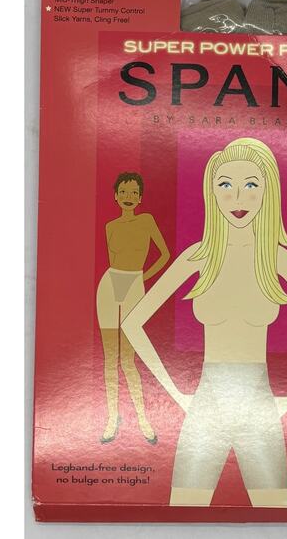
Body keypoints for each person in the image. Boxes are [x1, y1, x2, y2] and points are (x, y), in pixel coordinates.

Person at [122, 138, 287, 508]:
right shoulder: (198, 256)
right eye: (225, 185)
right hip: (206, 403)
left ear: (268, 192)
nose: (238, 198)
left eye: (251, 185)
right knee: (182, 516)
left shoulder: (276, 258)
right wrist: (176, 394)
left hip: (259, 404)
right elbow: (133, 323)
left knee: (278, 516)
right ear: (211, 192)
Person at [96, 172, 170, 444]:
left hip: (134, 285)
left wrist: (143, 278)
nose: (128, 197)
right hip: (109, 286)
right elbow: (113, 260)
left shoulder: (146, 221)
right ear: (116, 196)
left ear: (140, 198)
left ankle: (142, 419)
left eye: (134, 193)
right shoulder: (110, 226)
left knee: (128, 360)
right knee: (109, 359)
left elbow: (164, 255)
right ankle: (111, 418)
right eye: (123, 192)